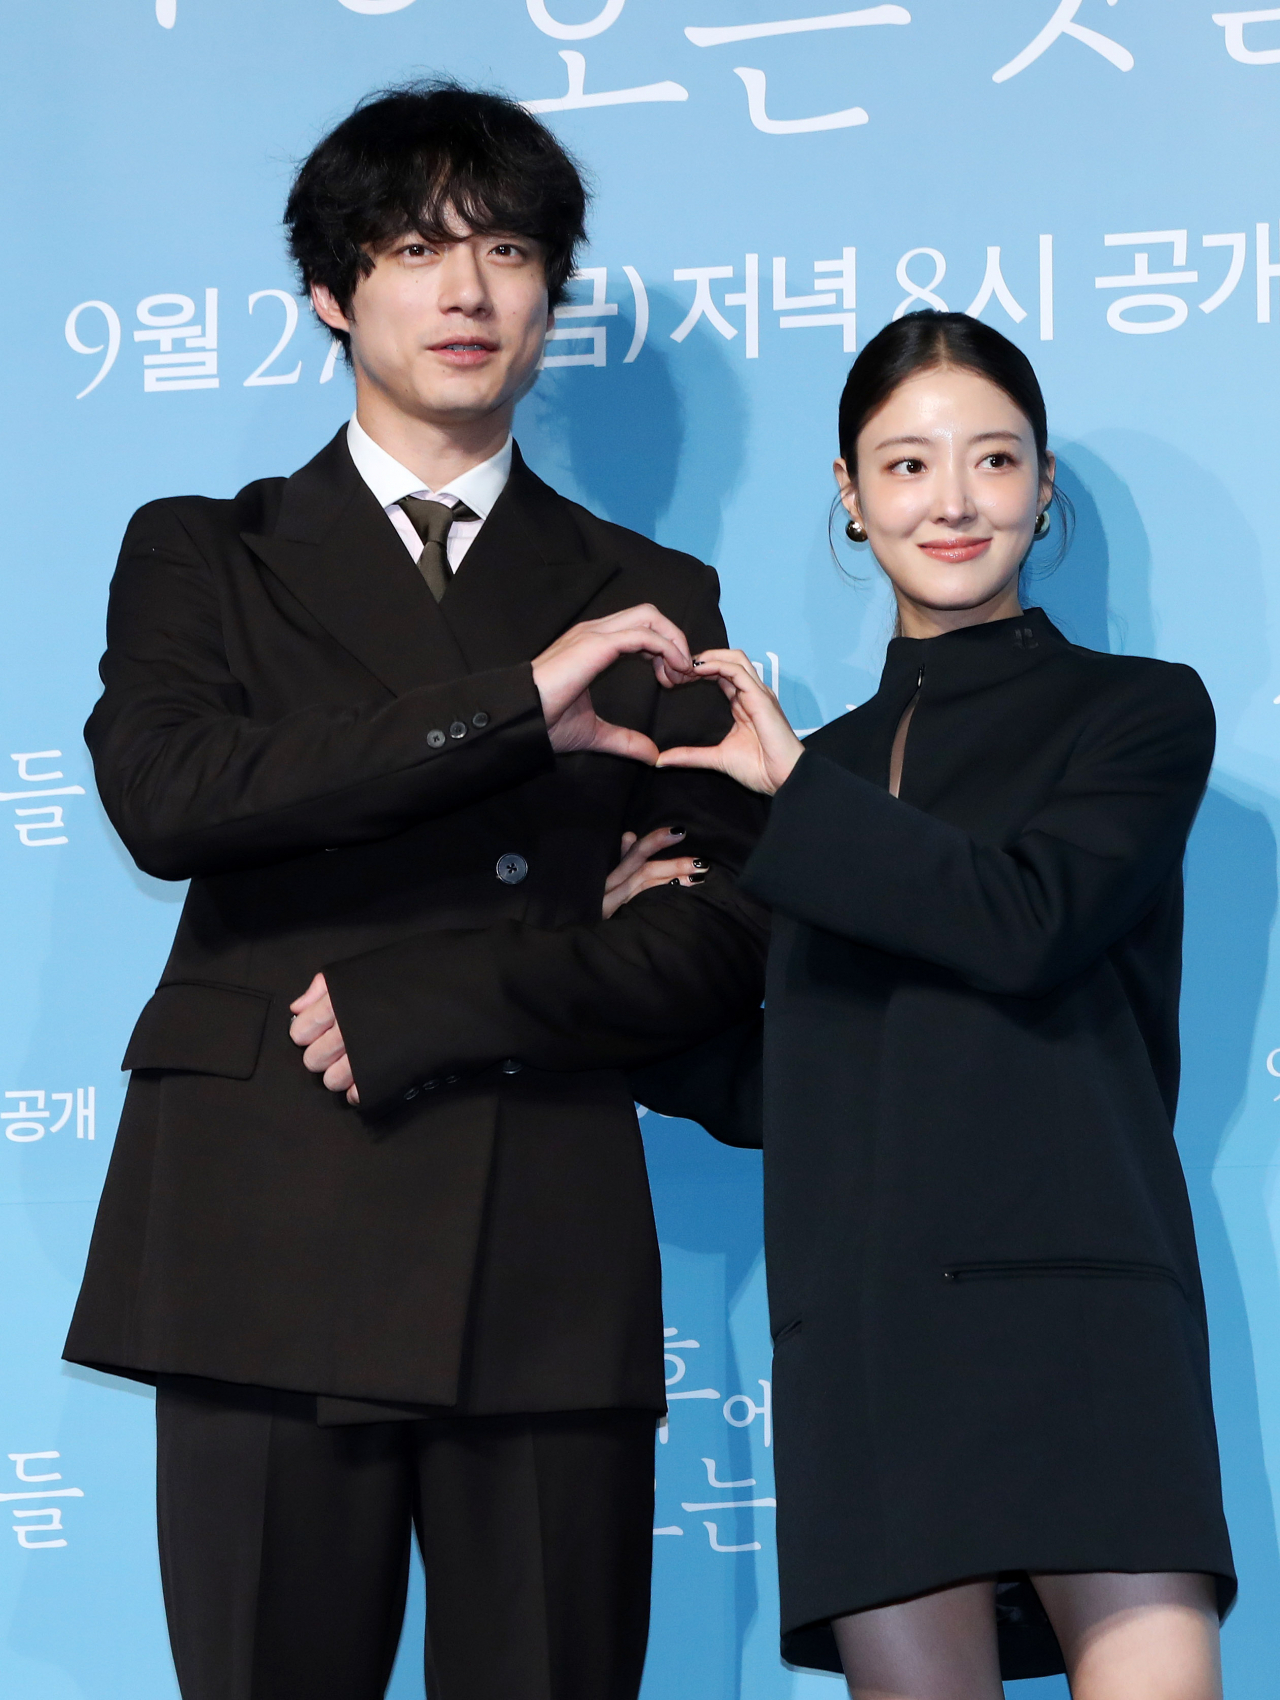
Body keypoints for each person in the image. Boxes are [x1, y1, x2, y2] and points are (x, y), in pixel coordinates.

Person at [63, 82, 767, 1700]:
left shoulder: (651, 594)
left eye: (509, 250)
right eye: (415, 248)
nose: (468, 292)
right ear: (332, 292)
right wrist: (517, 706)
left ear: (551, 297)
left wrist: (454, 989)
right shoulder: (205, 552)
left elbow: (707, 928)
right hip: (261, 1221)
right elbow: (174, 800)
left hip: (541, 1227)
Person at [645, 312, 1235, 1700]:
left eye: (993, 460)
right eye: (906, 465)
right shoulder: (808, 774)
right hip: (869, 1327)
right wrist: (645, 975)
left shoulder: (1138, 716)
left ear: (1043, 489)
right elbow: (799, 1083)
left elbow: (1027, 923)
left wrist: (793, 804)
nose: (953, 501)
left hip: (1079, 1302)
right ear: (850, 497)